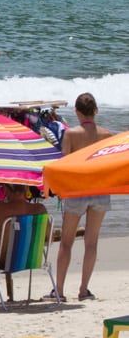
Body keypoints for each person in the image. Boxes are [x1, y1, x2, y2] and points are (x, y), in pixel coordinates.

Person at [55, 92, 114, 302]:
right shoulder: (106, 135)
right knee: (91, 243)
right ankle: (83, 290)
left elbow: (65, 165)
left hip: (77, 191)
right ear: (96, 111)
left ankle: (59, 291)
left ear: (77, 112)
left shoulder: (71, 134)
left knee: (66, 243)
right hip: (100, 190)